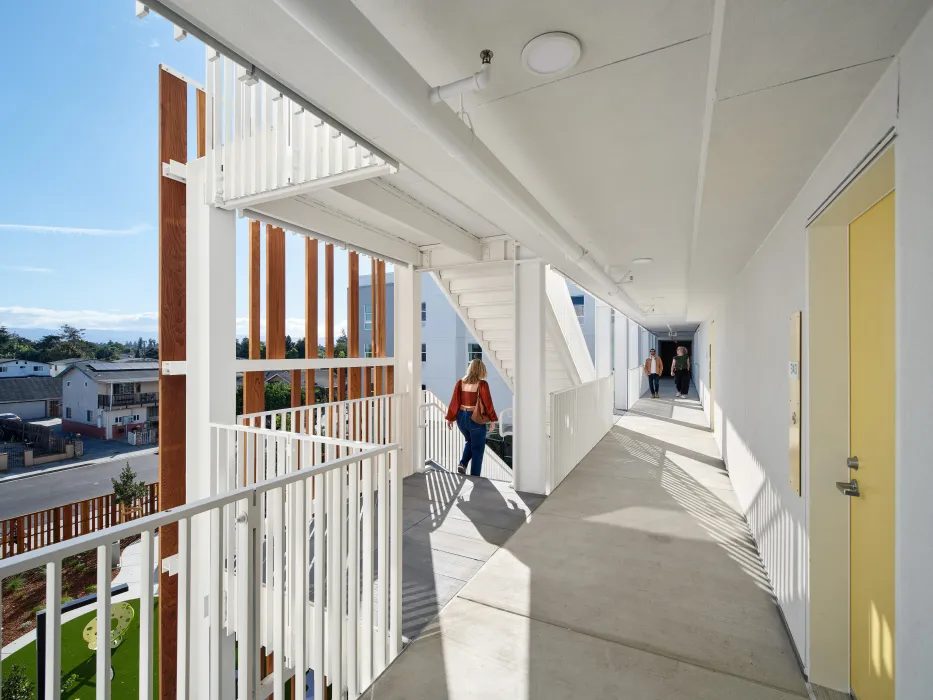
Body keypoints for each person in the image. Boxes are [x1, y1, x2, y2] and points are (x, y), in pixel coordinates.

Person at [446, 359, 498, 476]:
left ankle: (463, 464)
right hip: (475, 419)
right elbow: (487, 403)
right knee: (478, 449)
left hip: (461, 418)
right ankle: (475, 476)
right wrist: (493, 420)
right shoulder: (482, 384)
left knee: (469, 441)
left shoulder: (461, 382)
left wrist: (450, 418)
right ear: (482, 370)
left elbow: (454, 401)